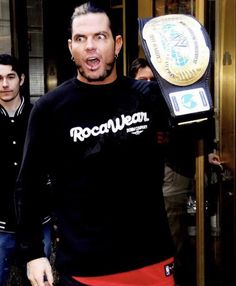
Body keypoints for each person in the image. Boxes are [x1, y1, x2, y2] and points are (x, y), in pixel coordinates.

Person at [15, 2, 175, 286]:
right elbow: (29, 186)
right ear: (70, 47)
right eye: (81, 38)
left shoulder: (149, 97)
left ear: (117, 44)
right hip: (85, 269)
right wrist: (32, 253)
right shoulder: (50, 109)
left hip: (151, 260)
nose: (90, 46)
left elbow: (189, 143)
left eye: (99, 37)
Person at [129, 57, 221, 286]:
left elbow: (194, 131)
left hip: (172, 176)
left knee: (173, 238)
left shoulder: (172, 102)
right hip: (138, 185)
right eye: (143, 80)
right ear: (133, 81)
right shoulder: (127, 105)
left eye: (153, 79)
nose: (149, 84)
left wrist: (205, 154)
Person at [0, 53, 52, 286]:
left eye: (10, 76)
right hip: (0, 226)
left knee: (41, 282)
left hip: (39, 222)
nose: (4, 84)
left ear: (21, 79)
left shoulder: (40, 116)